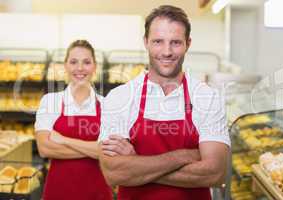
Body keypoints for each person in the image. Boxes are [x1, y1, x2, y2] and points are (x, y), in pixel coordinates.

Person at [98, 5, 230, 200]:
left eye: (175, 42)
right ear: (146, 42)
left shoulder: (207, 98)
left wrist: (136, 164)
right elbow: (115, 173)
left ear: (188, 43)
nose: (167, 52)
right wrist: (185, 156)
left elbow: (215, 173)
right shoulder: (120, 97)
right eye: (158, 41)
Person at [35, 40, 112, 200]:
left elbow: (109, 153)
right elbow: (45, 149)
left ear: (95, 67)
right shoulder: (50, 101)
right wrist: (94, 150)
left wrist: (63, 140)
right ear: (65, 66)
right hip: (58, 191)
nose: (80, 68)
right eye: (73, 62)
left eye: (86, 62)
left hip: (97, 192)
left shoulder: (106, 105)